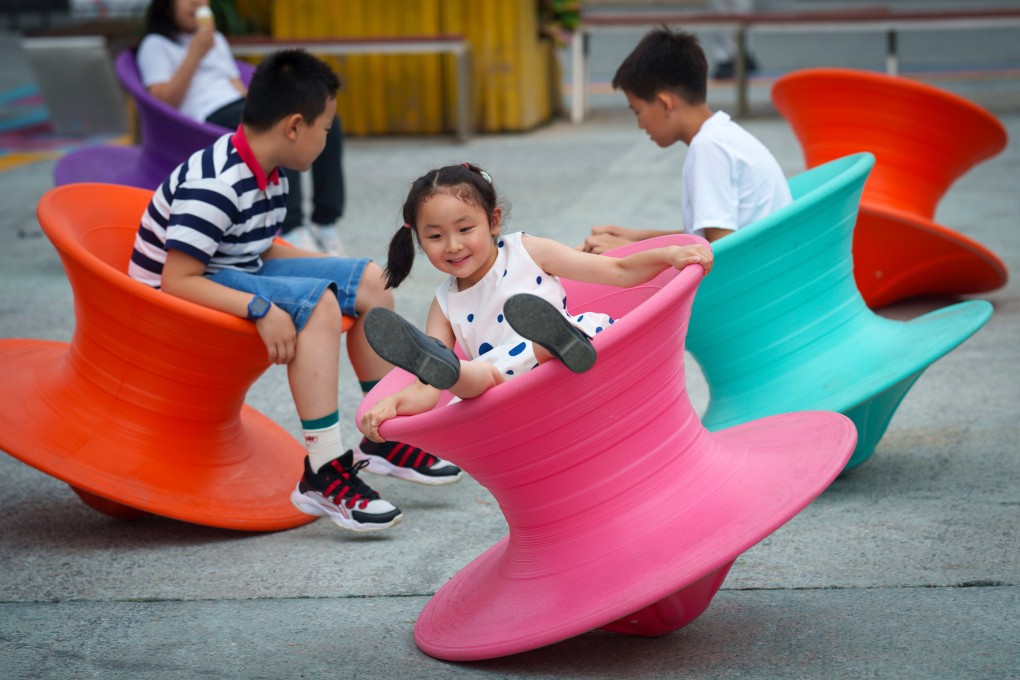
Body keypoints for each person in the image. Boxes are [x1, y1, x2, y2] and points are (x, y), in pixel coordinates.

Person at [128, 49, 463, 534]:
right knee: (317, 304)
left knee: (368, 280)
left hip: (229, 269)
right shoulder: (217, 184)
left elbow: (259, 250)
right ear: (294, 127)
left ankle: (381, 435)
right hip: (176, 301)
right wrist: (261, 307)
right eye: (325, 129)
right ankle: (324, 471)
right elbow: (176, 280)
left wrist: (352, 272)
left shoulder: (268, 171)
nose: (327, 139)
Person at [358, 163, 713, 442]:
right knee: (469, 377)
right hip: (506, 388)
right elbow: (426, 389)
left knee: (539, 347)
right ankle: (458, 367)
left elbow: (618, 270)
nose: (452, 245)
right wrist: (392, 404)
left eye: (465, 229)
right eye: (435, 236)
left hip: (568, 350)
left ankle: (553, 341)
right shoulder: (444, 304)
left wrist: (669, 255)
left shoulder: (527, 252)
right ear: (419, 239)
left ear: (494, 221)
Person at [137, 0, 346, 255]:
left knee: (326, 121)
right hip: (204, 115)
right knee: (284, 134)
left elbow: (235, 83)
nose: (196, 3)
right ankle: (292, 227)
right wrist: (195, 53)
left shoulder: (215, 40)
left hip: (239, 107)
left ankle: (326, 222)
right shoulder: (155, 45)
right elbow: (162, 101)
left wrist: (267, 109)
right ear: (167, 5)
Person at [580, 27, 790, 255]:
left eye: (637, 111)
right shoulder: (722, 134)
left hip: (752, 282)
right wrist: (636, 237)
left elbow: (720, 251)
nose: (640, 125)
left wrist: (631, 250)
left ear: (666, 103)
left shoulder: (708, 148)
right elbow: (704, 236)